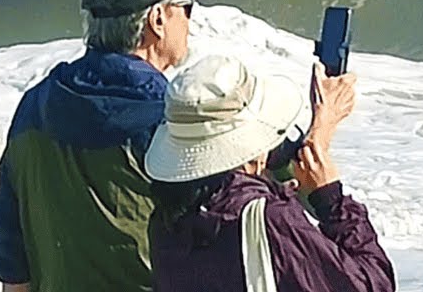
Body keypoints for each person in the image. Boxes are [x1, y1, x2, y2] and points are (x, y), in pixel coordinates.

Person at [0, 0, 222, 292]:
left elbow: (12, 264)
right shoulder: (171, 119)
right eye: (186, 7)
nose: (190, 21)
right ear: (157, 19)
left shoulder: (34, 107)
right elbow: (227, 240)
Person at [142, 55, 395, 292]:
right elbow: (373, 283)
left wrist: (319, 131)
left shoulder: (166, 221)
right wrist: (332, 201)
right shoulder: (271, 219)